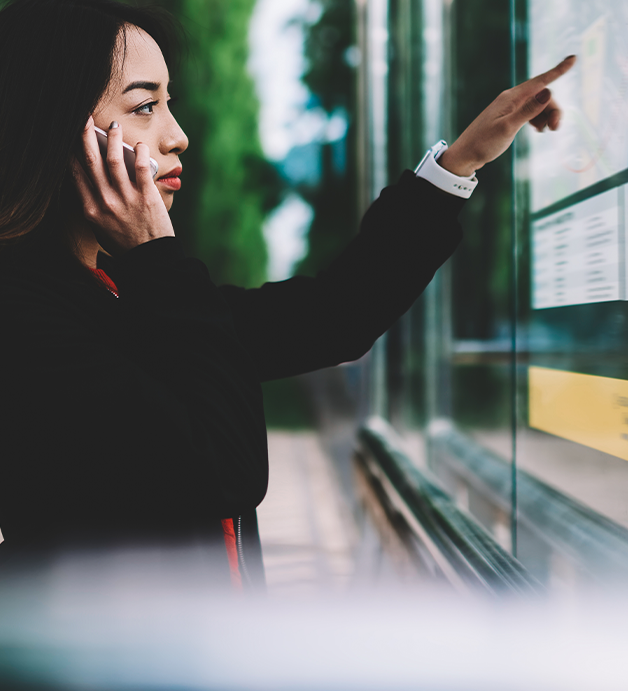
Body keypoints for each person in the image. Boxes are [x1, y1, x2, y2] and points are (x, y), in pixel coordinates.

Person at [0, 0, 575, 591]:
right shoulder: (22, 323)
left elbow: (335, 315)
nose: (180, 135)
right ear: (52, 126)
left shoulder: (119, 298)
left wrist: (461, 161)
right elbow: (224, 469)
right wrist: (155, 254)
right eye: (146, 106)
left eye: (168, 104)